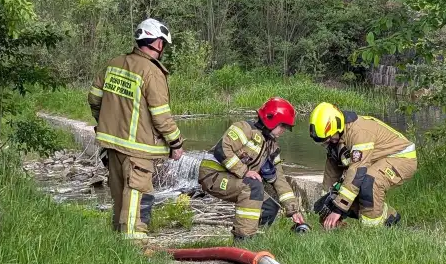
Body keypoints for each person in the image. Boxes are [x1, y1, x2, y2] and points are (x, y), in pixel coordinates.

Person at [88, 18, 184, 239]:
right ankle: (133, 247)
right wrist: (176, 143)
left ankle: (118, 239)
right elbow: (161, 116)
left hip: (113, 144)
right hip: (138, 148)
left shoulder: (113, 64)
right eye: (163, 45)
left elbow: (94, 99)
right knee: (135, 194)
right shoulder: (151, 72)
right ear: (158, 44)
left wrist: (106, 122)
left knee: (119, 194)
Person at [198, 98, 307, 243]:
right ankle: (243, 240)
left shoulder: (271, 146)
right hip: (213, 175)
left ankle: (255, 240)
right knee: (252, 186)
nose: (283, 131)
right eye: (283, 126)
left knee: (269, 208)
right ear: (271, 119)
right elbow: (222, 149)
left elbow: (279, 178)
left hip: (234, 178)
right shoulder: (244, 128)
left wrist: (293, 210)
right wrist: (244, 171)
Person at [308, 102, 417, 229]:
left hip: (401, 158)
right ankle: (388, 217)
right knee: (343, 192)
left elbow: (357, 171)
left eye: (329, 139)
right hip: (376, 160)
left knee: (368, 180)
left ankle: (372, 230)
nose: (327, 144)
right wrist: (328, 202)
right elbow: (331, 175)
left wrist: (338, 209)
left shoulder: (359, 132)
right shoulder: (335, 140)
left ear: (337, 126)